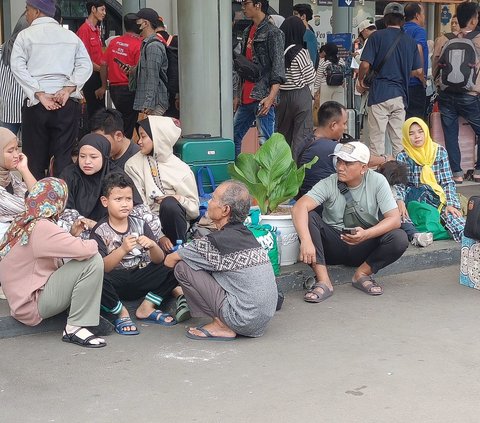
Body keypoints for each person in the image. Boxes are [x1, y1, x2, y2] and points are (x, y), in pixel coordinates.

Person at [292, 142, 409, 303]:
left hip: (364, 243)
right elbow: (299, 206)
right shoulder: (329, 182)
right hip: (334, 244)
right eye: (339, 161)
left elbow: (394, 219)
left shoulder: (378, 181)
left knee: (399, 238)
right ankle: (324, 281)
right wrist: (305, 240)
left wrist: (367, 234)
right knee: (309, 217)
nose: (340, 167)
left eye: (347, 163)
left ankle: (362, 274)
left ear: (363, 168)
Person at [164, 180, 278, 341]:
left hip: (242, 319)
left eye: (213, 198)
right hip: (261, 321)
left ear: (225, 210)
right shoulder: (248, 235)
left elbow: (170, 260)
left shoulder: (216, 242)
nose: (209, 202)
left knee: (182, 267)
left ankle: (221, 325)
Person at [0, 178, 106, 348]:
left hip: (21, 301)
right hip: (32, 304)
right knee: (93, 261)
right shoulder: (42, 227)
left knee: (80, 259)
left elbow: (50, 252)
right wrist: (100, 240)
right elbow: (88, 251)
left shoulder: (25, 220)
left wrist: (71, 236)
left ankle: (81, 316)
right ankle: (75, 327)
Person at [10, 0, 92, 180]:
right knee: (64, 159)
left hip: (36, 105)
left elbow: (17, 66)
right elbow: (85, 65)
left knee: (34, 161)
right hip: (65, 103)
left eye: (27, 10)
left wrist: (39, 93)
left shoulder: (25, 36)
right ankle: (64, 203)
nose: (26, 14)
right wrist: (68, 89)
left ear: (37, 11)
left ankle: (36, 202)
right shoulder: (70, 36)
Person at [90, 173, 178, 335]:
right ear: (105, 201)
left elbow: (159, 260)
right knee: (93, 277)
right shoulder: (99, 231)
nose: (125, 204)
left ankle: (147, 307)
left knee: (175, 265)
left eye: (128, 199)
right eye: (118, 199)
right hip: (115, 282)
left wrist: (152, 245)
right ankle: (120, 312)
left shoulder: (140, 223)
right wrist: (122, 250)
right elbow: (102, 267)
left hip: (139, 276)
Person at [58, 133, 161, 241]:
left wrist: (102, 226)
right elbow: (64, 211)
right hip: (82, 230)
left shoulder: (116, 174)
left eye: (93, 157)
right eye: (82, 156)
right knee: (60, 226)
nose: (87, 161)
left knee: (152, 220)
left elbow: (135, 207)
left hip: (115, 228)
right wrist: (82, 222)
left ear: (104, 156)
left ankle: (127, 250)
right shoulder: (69, 175)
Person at [125, 116, 199, 251]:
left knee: (169, 204)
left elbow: (194, 210)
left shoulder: (181, 169)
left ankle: (178, 249)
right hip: (144, 224)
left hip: (175, 226)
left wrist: (177, 198)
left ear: (159, 137)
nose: (139, 141)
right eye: (139, 136)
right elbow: (138, 205)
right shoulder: (133, 165)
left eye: (143, 136)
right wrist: (159, 236)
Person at [358, 2, 423, 157]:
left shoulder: (376, 37)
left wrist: (361, 80)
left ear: (385, 20)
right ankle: (400, 176)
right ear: (403, 20)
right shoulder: (410, 41)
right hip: (400, 96)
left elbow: (365, 64)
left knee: (376, 142)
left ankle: (378, 178)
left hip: (379, 95)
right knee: (399, 143)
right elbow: (418, 70)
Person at [396, 117, 466, 242]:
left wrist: (451, 204)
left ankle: (470, 246)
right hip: (415, 199)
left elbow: (447, 181)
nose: (417, 136)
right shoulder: (403, 156)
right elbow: (400, 185)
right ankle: (417, 237)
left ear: (426, 132)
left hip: (438, 197)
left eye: (420, 131)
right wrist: (400, 201)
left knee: (455, 218)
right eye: (411, 133)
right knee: (400, 215)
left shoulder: (439, 151)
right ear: (406, 136)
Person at [433, 1, 480, 183]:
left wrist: (438, 84)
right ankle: (478, 171)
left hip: (446, 95)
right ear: (474, 19)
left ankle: (457, 173)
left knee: (450, 134)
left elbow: (436, 66)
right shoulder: (478, 39)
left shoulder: (444, 39)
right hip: (470, 96)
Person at [233, 0, 285, 157]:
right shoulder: (248, 30)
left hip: (263, 96)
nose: (243, 7)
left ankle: (266, 180)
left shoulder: (273, 33)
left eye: (246, 3)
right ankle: (237, 177)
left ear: (258, 5)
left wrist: (271, 98)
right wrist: (237, 94)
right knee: (234, 136)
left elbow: (278, 68)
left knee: (266, 142)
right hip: (246, 96)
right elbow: (242, 66)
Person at [276, 16, 316, 162]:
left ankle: (282, 168)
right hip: (300, 96)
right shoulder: (300, 51)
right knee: (302, 136)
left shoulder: (278, 51)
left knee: (283, 135)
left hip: (282, 96)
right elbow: (310, 77)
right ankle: (297, 170)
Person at [104, 13, 142, 138]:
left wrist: (104, 86)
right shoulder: (138, 44)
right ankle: (124, 151)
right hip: (129, 88)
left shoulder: (114, 42)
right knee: (128, 123)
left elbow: (104, 65)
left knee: (121, 119)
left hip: (114, 89)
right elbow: (139, 71)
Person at [0, 128, 37, 239]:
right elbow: (39, 207)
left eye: (17, 149)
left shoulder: (8, 177)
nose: (17, 155)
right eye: (10, 151)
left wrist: (24, 169)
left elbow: (39, 195)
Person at [131, 8, 169, 116]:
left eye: (137, 21)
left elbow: (153, 77)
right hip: (151, 103)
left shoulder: (153, 46)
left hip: (154, 104)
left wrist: (148, 103)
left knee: (150, 133)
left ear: (145, 23)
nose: (135, 24)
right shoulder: (147, 44)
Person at [76, 0, 107, 120]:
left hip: (99, 75)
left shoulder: (96, 30)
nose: (104, 13)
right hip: (91, 76)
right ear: (93, 9)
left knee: (100, 111)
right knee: (95, 113)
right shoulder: (84, 30)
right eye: (102, 10)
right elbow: (84, 59)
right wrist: (103, 70)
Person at [0, 14, 29, 135]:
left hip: (8, 109)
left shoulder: (2, 50)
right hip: (26, 108)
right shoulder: (31, 53)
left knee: (5, 150)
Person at [404, 3, 428, 120]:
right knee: (416, 121)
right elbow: (419, 48)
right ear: (417, 16)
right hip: (415, 84)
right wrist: (421, 76)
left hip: (401, 84)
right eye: (423, 13)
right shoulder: (419, 30)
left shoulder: (401, 30)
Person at [314, 42, 346, 107]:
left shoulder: (323, 62)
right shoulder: (341, 61)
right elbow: (344, 76)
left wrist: (315, 92)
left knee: (326, 112)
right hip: (339, 89)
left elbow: (318, 78)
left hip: (325, 89)